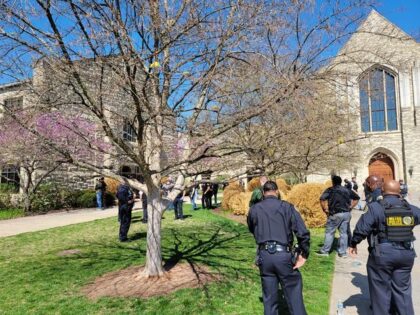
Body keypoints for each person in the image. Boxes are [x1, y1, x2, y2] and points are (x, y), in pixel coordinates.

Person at [349, 180, 420, 315]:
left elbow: (362, 228)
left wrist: (354, 243)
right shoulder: (410, 208)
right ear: (400, 192)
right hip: (406, 254)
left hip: (383, 253)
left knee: (380, 292)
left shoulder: (376, 207)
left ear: (382, 191)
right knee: (403, 292)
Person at [247, 181, 310, 315]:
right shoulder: (287, 207)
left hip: (265, 257)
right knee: (294, 296)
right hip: (283, 256)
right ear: (277, 192)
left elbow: (252, 228)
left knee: (269, 300)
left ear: (264, 193)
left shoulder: (254, 209)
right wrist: (304, 253)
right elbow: (302, 232)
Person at [316, 175, 360, 257]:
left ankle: (325, 251)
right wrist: (351, 207)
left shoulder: (330, 190)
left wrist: (325, 209)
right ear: (340, 182)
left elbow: (322, 199)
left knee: (330, 232)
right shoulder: (347, 189)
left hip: (335, 214)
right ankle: (342, 253)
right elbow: (357, 198)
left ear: (333, 182)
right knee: (344, 233)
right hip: (346, 214)